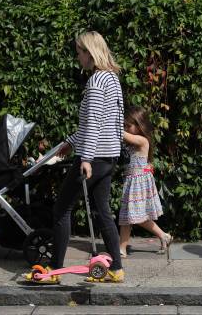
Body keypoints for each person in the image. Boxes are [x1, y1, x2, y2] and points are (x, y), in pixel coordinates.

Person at [50, 31, 125, 283]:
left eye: (79, 52)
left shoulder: (95, 82)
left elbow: (93, 124)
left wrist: (85, 157)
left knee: (62, 209)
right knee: (103, 210)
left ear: (90, 53)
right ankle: (116, 268)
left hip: (93, 157)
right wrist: (70, 143)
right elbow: (105, 123)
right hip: (109, 156)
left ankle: (54, 270)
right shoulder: (112, 79)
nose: (77, 56)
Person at [118, 106, 172, 258]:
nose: (125, 129)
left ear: (140, 125)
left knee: (132, 216)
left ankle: (122, 248)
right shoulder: (131, 142)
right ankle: (122, 248)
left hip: (138, 183)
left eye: (128, 126)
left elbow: (123, 136)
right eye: (124, 126)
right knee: (127, 216)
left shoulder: (142, 140)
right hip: (131, 182)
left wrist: (112, 124)